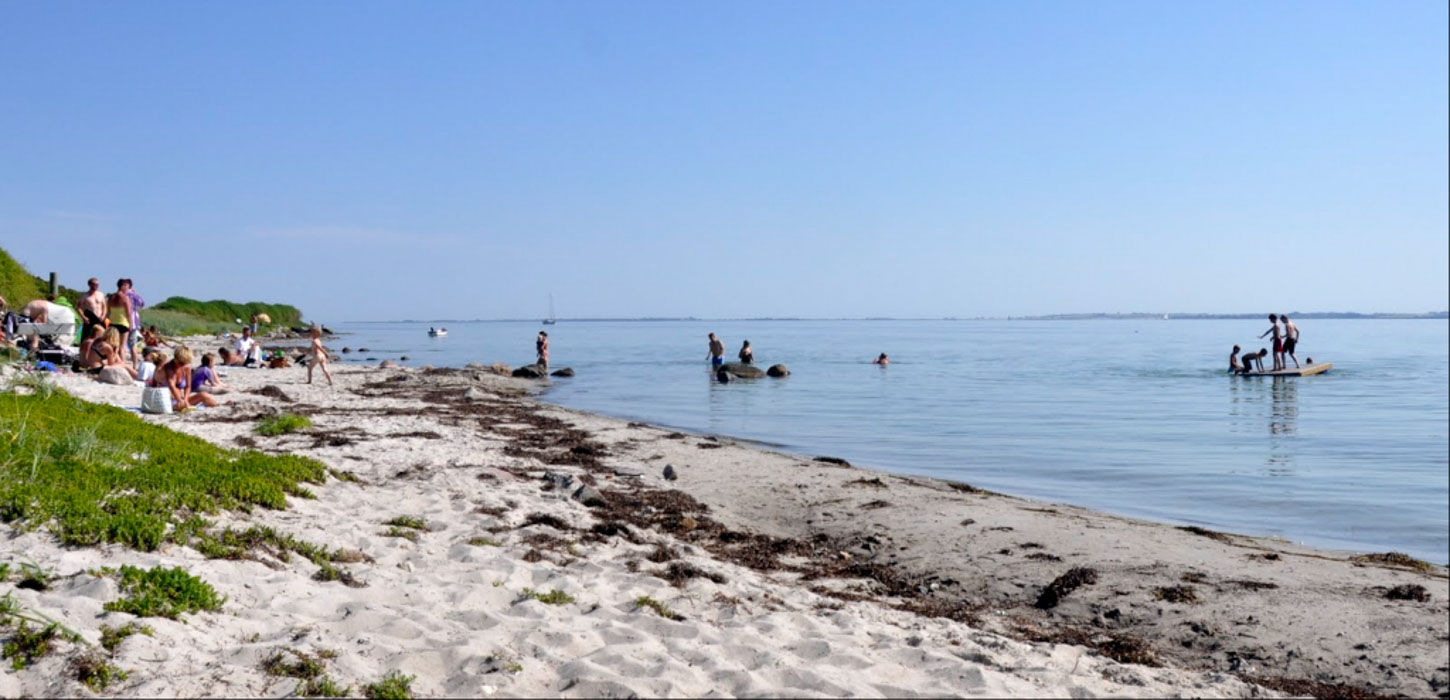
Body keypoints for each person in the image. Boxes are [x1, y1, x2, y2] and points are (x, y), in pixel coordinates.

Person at [152, 346, 217, 410]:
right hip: (166, 401)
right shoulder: (168, 368)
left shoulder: (186, 367)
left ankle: (219, 406)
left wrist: (185, 399)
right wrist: (179, 399)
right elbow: (172, 386)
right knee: (182, 405)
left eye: (184, 363)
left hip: (181, 399)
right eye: (181, 363)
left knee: (205, 395)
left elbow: (188, 386)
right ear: (175, 359)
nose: (182, 365)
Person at [106, 281, 136, 366]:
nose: (128, 288)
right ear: (122, 286)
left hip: (112, 323)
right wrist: (131, 324)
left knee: (113, 346)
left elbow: (108, 312)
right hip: (123, 323)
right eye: (126, 286)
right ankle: (123, 364)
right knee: (122, 347)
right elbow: (129, 313)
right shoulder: (125, 298)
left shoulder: (111, 297)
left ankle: (113, 362)